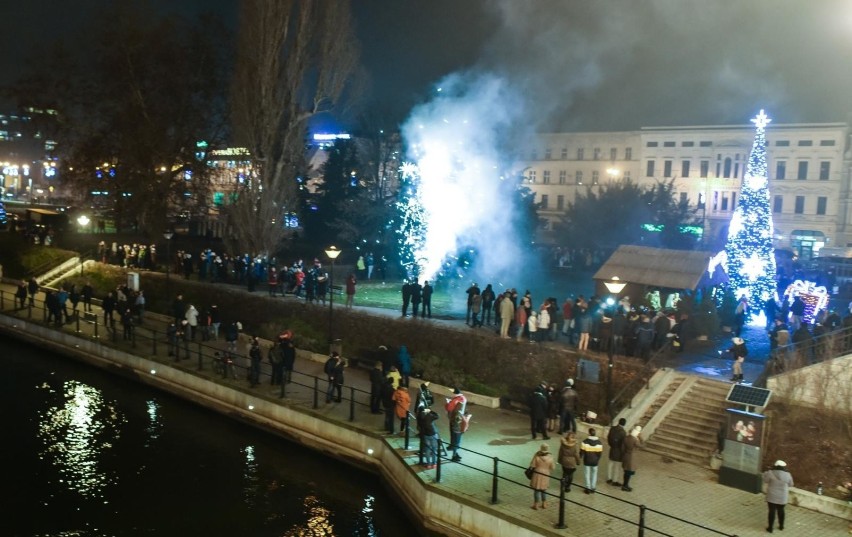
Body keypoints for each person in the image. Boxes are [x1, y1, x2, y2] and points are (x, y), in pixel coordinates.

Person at [763, 460, 794, 533]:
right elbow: (791, 484)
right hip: (782, 497)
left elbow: (765, 480)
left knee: (771, 511)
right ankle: (781, 526)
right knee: (781, 511)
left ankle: (770, 528)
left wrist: (765, 474)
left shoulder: (770, 473)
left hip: (772, 496)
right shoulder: (788, 474)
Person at [528, 443, 556, 510]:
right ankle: (544, 504)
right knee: (544, 489)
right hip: (545, 474)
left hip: (537, 473)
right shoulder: (550, 458)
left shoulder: (537, 456)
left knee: (536, 490)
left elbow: (532, 465)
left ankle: (536, 505)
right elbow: (553, 468)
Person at [580, 427, 603, 494]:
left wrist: (580, 457)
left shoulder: (584, 442)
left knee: (587, 474)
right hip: (595, 462)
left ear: (589, 433)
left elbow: (582, 452)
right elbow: (600, 453)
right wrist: (597, 459)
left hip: (587, 460)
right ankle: (593, 487)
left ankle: (588, 488)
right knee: (594, 474)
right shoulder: (599, 443)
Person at [621, 425, 642, 491]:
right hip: (631, 458)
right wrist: (641, 438)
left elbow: (622, 448)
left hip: (626, 456)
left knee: (626, 472)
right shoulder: (635, 440)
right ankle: (625, 486)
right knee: (629, 472)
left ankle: (624, 484)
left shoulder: (626, 438)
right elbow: (642, 446)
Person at [606, 418, 627, 486]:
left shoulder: (612, 428)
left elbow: (608, 437)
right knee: (617, 467)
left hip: (612, 449)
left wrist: (611, 445)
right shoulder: (623, 432)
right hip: (618, 451)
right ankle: (615, 481)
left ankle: (609, 479)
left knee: (610, 464)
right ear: (624, 424)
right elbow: (623, 444)